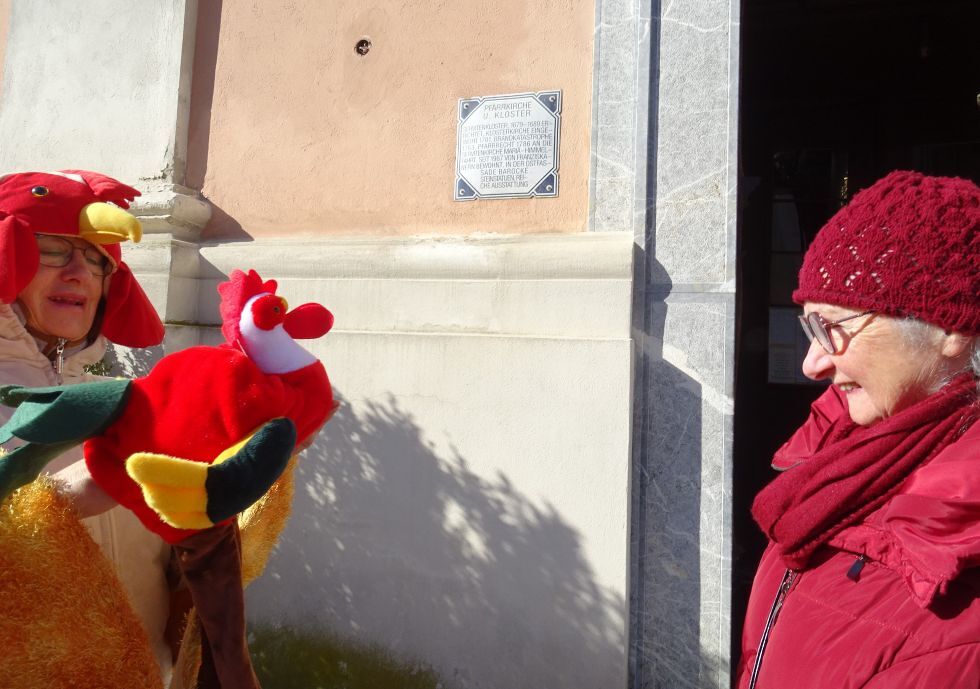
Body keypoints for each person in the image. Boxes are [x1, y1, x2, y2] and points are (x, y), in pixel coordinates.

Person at [736, 170, 980, 688]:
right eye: (809, 327)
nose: (811, 364)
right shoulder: (834, 466)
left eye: (833, 327)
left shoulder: (957, 541)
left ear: (950, 329)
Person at [0, 170, 173, 687]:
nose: (81, 273)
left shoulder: (125, 395)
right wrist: (60, 500)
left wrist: (251, 475)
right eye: (53, 250)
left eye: (97, 260)